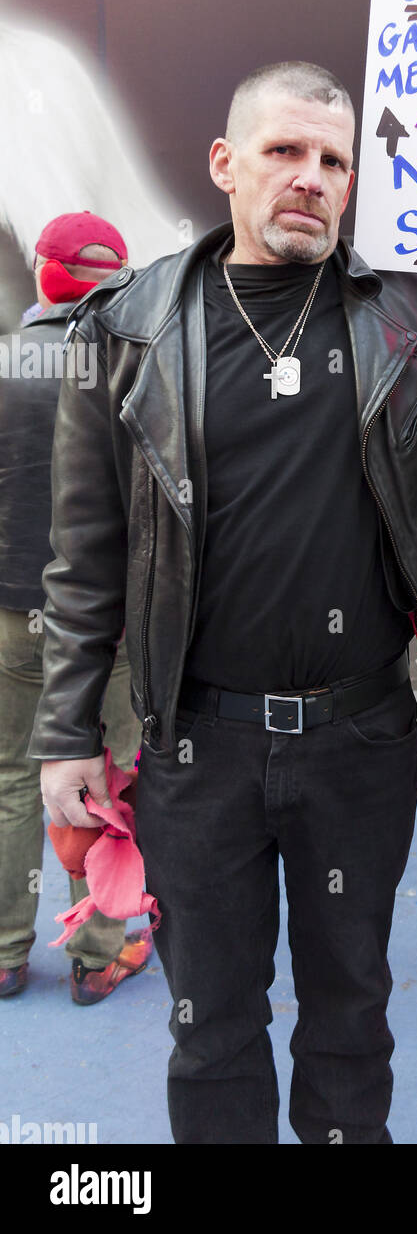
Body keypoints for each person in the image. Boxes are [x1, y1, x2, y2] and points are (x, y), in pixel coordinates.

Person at [31, 61, 417, 1144]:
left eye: (334, 160)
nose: (309, 177)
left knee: (351, 1012)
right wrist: (67, 734)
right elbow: (85, 553)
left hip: (361, 738)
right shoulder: (128, 329)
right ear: (226, 165)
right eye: (284, 152)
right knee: (214, 1024)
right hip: (199, 747)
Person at [0, 212, 150, 1004]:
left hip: (8, 617)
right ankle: (98, 956)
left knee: (9, 778)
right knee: (108, 781)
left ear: (43, 275)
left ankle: (4, 952)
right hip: (109, 627)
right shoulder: (141, 373)